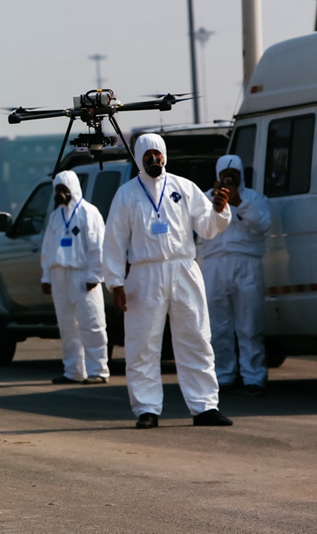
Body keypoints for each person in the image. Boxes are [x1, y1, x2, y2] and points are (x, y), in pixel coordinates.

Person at [102, 133, 234, 429]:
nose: (154, 158)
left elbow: (207, 228)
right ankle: (147, 409)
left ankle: (205, 407)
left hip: (183, 269)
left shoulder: (184, 187)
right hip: (144, 274)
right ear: (139, 159)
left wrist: (219, 210)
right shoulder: (126, 194)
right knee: (142, 344)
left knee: (196, 338)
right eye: (148, 155)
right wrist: (115, 283)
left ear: (164, 155)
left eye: (157, 153)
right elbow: (113, 241)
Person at [197, 155, 271, 396]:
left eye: (234, 174)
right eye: (225, 175)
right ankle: (224, 375)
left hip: (247, 264)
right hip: (214, 265)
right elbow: (197, 229)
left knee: (250, 325)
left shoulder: (255, 199)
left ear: (241, 174)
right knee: (218, 327)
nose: (229, 179)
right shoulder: (205, 199)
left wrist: (239, 203)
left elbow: (263, 225)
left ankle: (253, 377)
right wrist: (216, 203)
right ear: (217, 175)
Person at [40, 170, 110, 385]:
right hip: (59, 276)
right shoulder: (56, 216)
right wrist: (46, 277)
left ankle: (98, 370)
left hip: (83, 276)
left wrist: (95, 275)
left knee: (91, 324)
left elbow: (98, 246)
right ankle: (73, 371)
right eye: (58, 189)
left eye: (64, 189)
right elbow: (47, 248)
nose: (60, 194)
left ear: (73, 188)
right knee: (67, 327)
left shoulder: (89, 212)